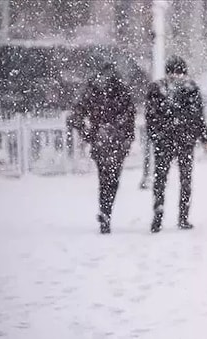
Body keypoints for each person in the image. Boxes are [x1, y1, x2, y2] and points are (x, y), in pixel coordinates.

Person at [68, 61, 136, 234]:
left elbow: (75, 117)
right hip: (117, 141)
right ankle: (107, 211)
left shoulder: (92, 90)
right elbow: (130, 117)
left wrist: (89, 134)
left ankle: (105, 211)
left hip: (100, 140)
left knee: (104, 178)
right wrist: (127, 137)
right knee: (113, 179)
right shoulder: (121, 90)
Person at [146, 56, 207, 233]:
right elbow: (198, 116)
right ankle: (183, 217)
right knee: (185, 179)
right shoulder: (190, 87)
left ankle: (158, 215)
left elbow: (150, 117)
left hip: (164, 141)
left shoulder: (156, 88)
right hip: (185, 140)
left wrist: (156, 136)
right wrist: (204, 137)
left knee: (160, 179)